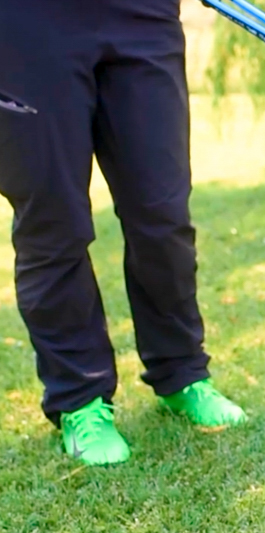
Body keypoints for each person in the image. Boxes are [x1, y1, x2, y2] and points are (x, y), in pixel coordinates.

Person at [0, 0, 246, 466]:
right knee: (54, 223)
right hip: (24, 20)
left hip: (140, 13)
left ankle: (182, 373)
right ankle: (79, 400)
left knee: (163, 213)